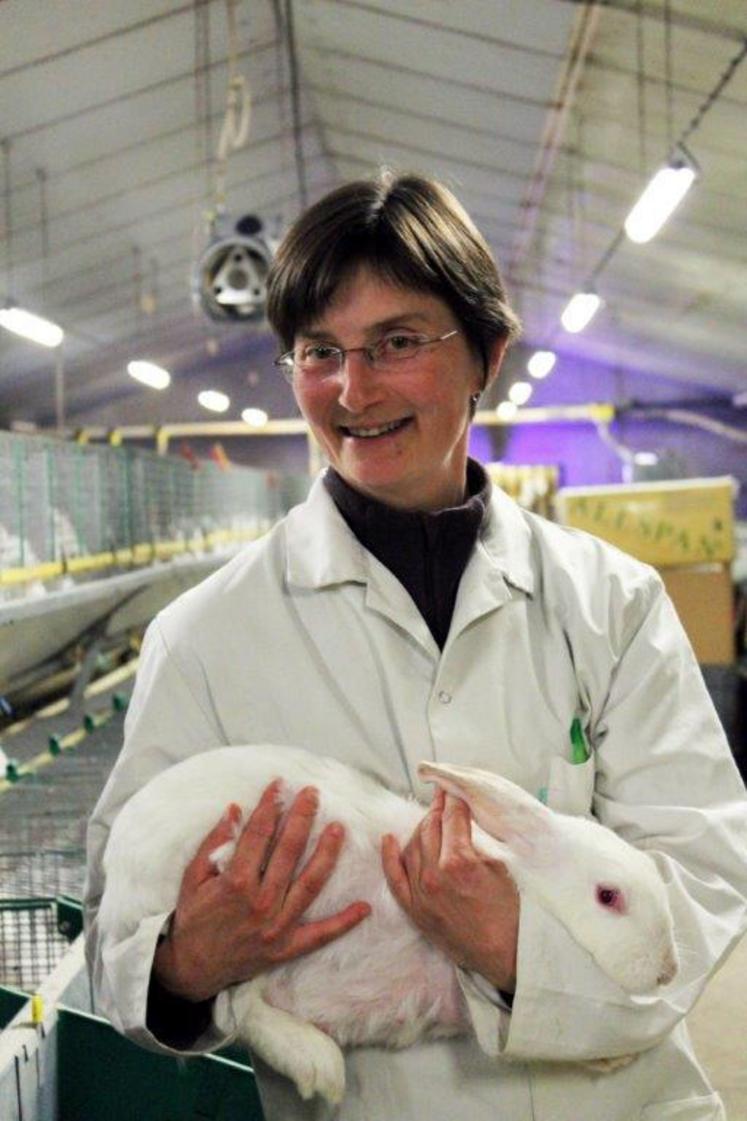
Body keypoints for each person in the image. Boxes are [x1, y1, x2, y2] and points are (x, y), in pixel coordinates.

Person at [85, 171, 747, 1121]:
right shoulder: (202, 637)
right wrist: (186, 961)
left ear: (487, 352)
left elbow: (704, 877)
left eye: (396, 342)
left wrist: (515, 946)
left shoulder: (613, 603)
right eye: (319, 352)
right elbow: (121, 927)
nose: (353, 391)